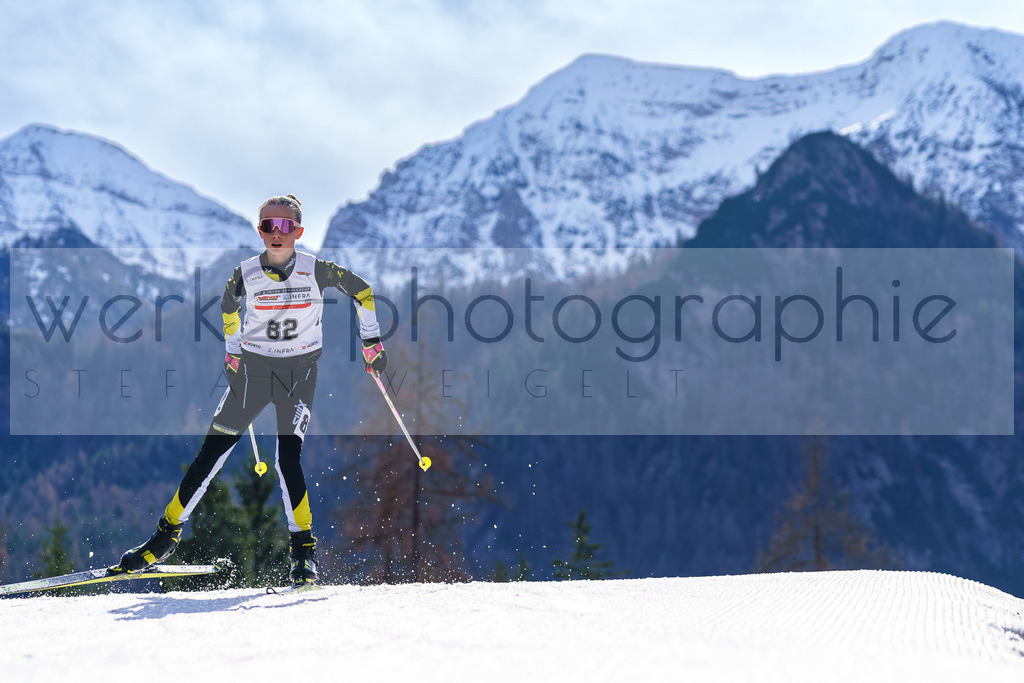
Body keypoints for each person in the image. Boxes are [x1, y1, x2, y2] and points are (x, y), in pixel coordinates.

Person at [116, 194, 387, 585]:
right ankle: (164, 536)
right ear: (259, 231)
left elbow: (363, 292)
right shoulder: (244, 274)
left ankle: (303, 552)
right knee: (212, 452)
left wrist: (371, 343)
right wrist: (232, 353)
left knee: (286, 460)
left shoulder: (318, 270)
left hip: (299, 374)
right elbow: (228, 306)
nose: (275, 234)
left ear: (298, 232)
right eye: (267, 226)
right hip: (254, 373)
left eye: (284, 226)